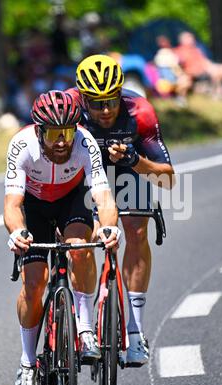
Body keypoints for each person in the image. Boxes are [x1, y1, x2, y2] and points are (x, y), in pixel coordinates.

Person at [4, 90, 121, 385]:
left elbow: (104, 197)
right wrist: (18, 232)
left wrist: (109, 228)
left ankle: (84, 329)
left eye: (67, 132)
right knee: (34, 284)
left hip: (71, 199)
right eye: (54, 133)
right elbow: (13, 205)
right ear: (39, 130)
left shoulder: (84, 142)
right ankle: (28, 362)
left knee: (81, 250)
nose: (61, 141)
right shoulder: (22, 145)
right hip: (34, 205)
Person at [67, 54, 175, 366]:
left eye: (111, 102)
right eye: (96, 103)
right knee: (79, 239)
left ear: (120, 95)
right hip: (81, 175)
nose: (104, 111)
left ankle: (136, 332)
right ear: (82, 98)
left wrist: (134, 160)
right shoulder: (70, 109)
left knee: (137, 230)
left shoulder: (139, 111)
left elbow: (168, 178)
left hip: (128, 171)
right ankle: (77, 318)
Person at [174, 31, 222, 99]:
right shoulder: (180, 50)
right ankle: (218, 92)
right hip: (193, 72)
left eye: (192, 37)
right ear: (183, 40)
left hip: (203, 69)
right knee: (215, 72)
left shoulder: (195, 49)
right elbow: (179, 64)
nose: (192, 39)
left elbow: (204, 61)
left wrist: (214, 66)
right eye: (189, 37)